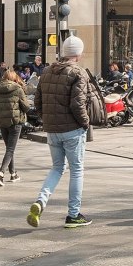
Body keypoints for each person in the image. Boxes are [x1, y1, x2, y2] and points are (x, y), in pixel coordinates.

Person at [27, 35, 93, 229]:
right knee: (77, 170)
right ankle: (73, 215)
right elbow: (78, 103)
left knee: (57, 168)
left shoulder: (47, 71)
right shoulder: (78, 73)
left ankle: (41, 200)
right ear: (78, 54)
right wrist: (85, 123)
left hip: (52, 130)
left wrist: (47, 119)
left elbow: (37, 101)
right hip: (72, 129)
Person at [0, 68, 28, 186]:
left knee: (9, 148)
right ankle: (0, 174)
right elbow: (26, 107)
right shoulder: (18, 89)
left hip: (2, 122)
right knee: (10, 149)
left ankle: (13, 173)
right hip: (15, 122)